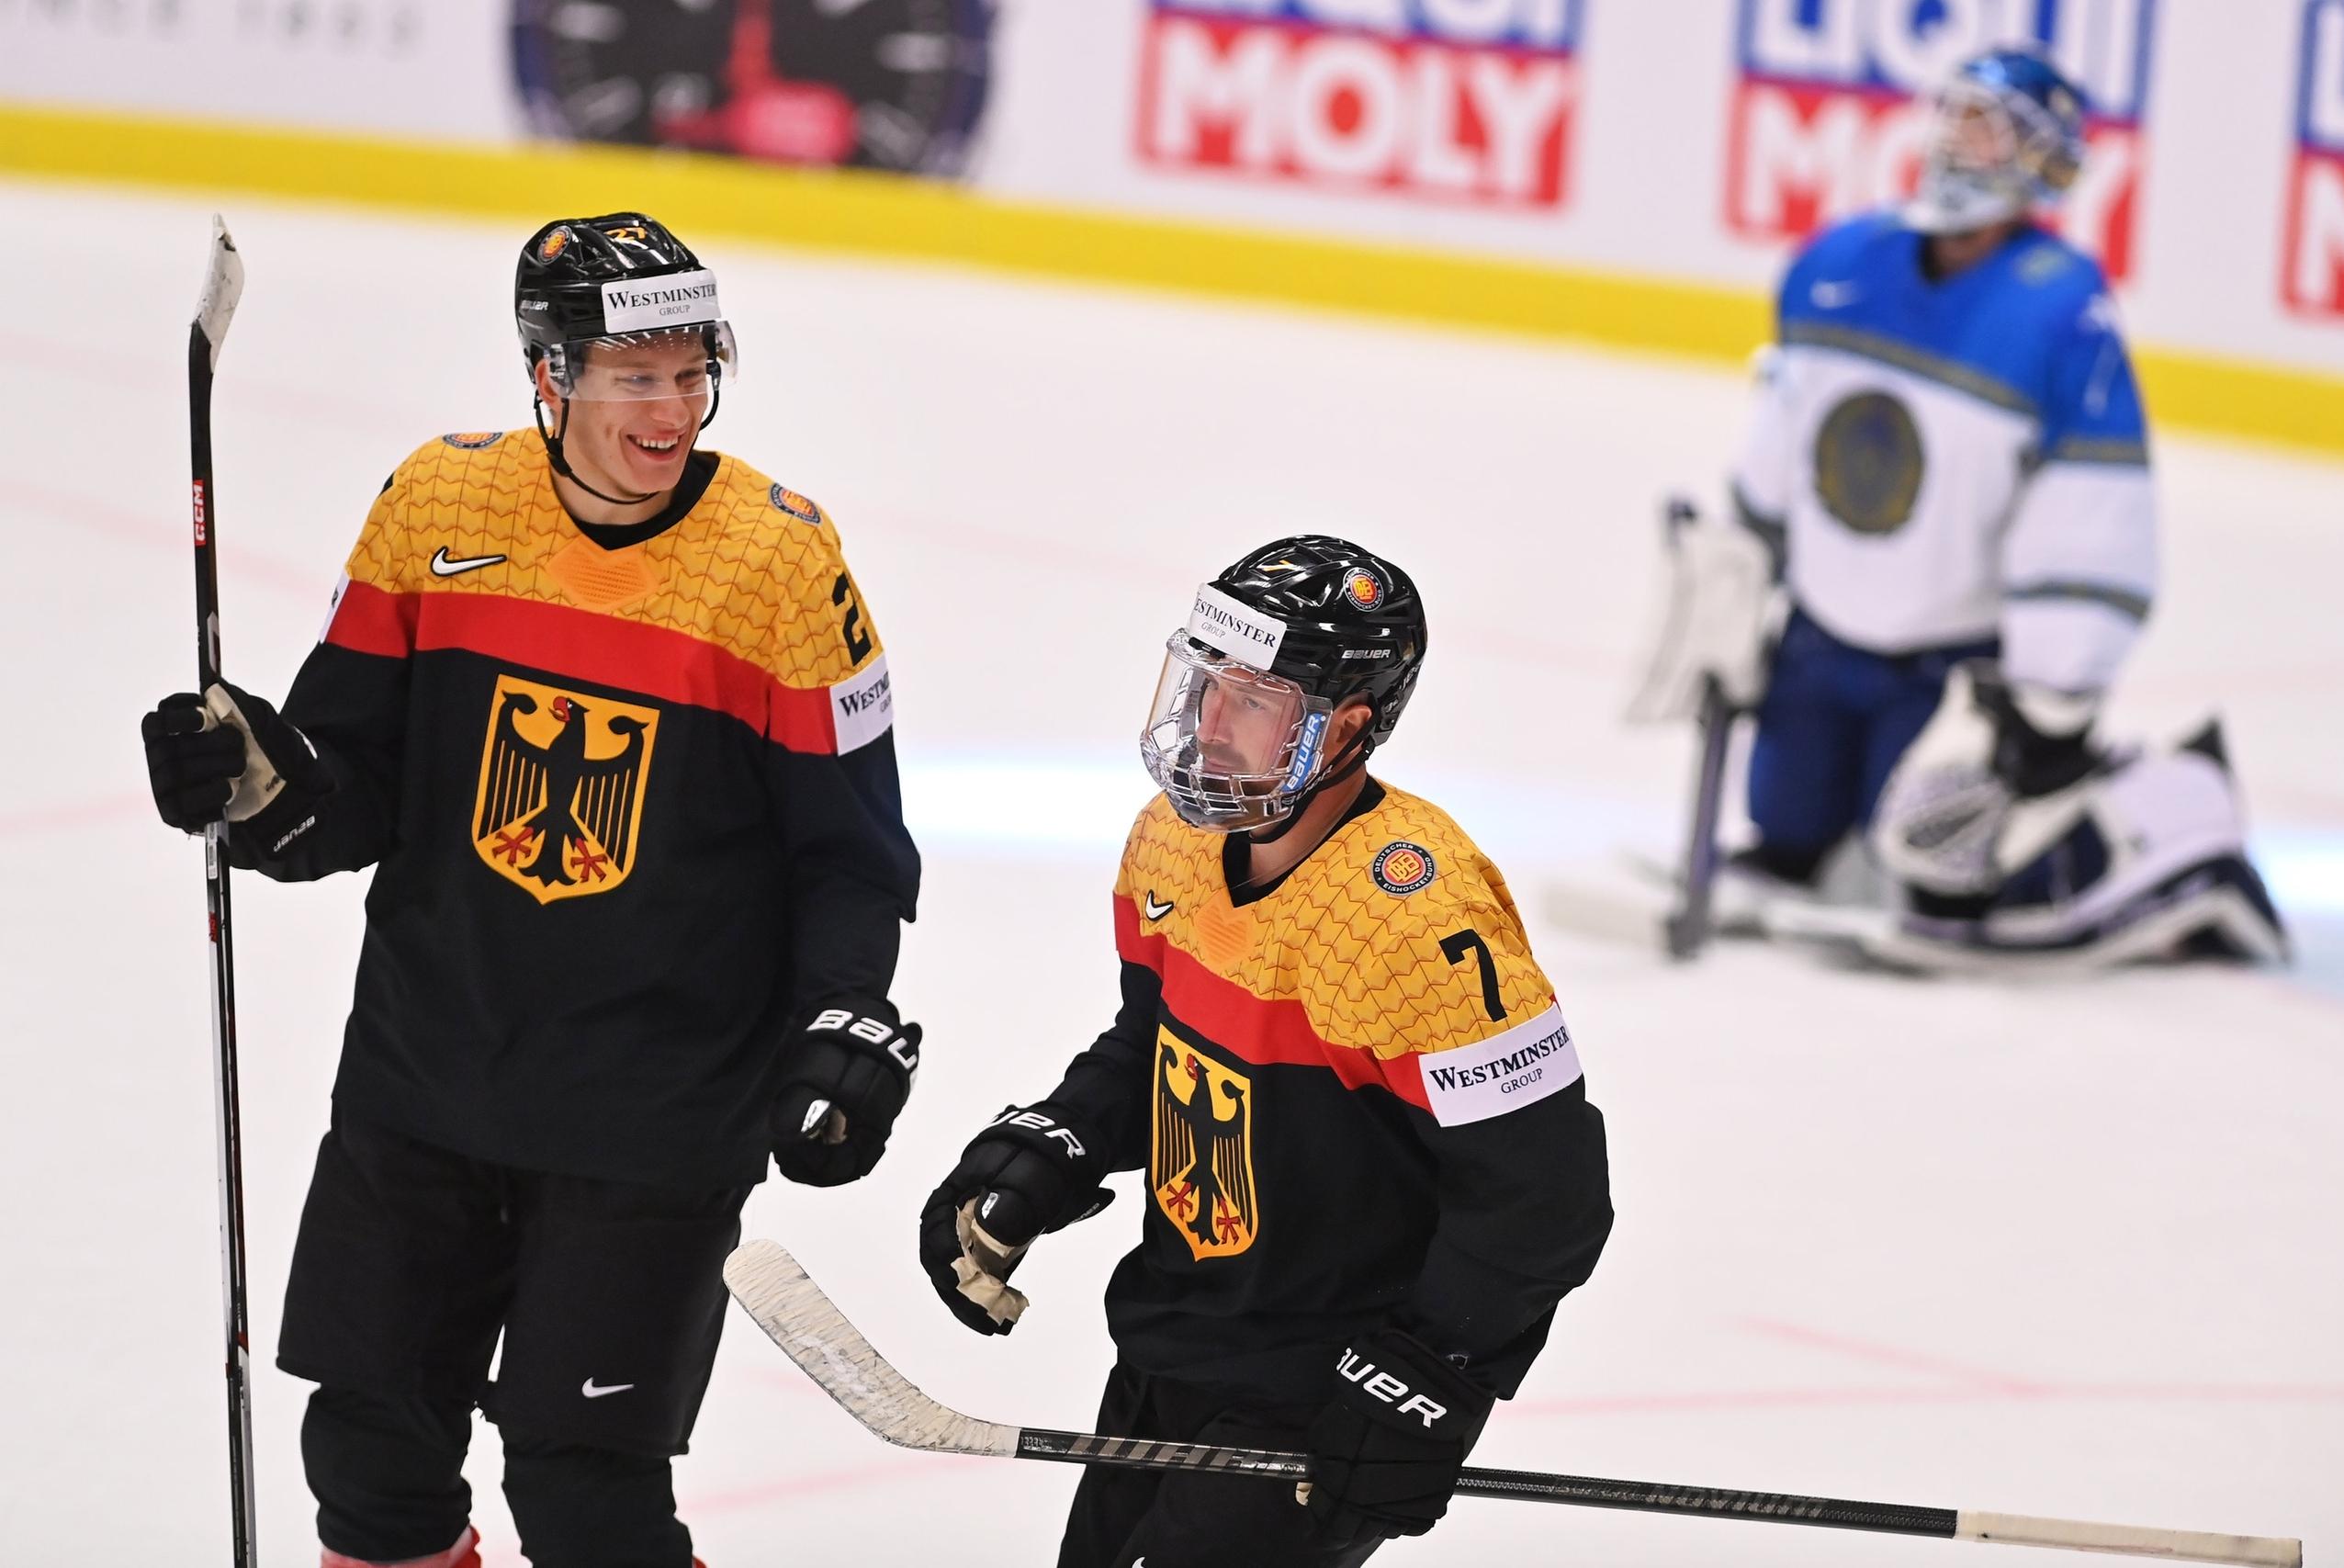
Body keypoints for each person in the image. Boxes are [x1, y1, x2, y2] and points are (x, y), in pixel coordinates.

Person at [140, 213, 922, 1568]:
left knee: (582, 1489)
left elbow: (848, 849)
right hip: (427, 1065)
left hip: (655, 1106)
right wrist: (257, 777)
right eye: (633, 373)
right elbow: (352, 784)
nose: (670, 405)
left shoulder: (781, 563)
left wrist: (848, 1017)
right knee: (371, 1453)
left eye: (690, 369)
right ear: (548, 376)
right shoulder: (438, 505)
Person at [918, 538, 1613, 1567]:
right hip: (1174, 1338)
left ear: (1346, 730)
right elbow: (1155, 1043)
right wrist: (1053, 1144)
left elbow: (1544, 1198)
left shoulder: (1416, 917)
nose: (1208, 727)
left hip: (1311, 1390)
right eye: (1203, 687)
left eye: (1254, 702)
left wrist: (1429, 1373)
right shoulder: (1172, 841)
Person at [1636, 47, 2283, 967]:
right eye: (1957, 116)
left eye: (1993, 127)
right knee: (1786, 824)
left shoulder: (2060, 310)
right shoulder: (1839, 262)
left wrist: (2054, 689)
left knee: (1942, 865)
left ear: (2048, 162)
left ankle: (2175, 816)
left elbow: (2088, 503)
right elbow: (1785, 430)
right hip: (1820, 637)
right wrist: (1738, 564)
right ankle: (1809, 839)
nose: (1961, 140)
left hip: (1949, 662)